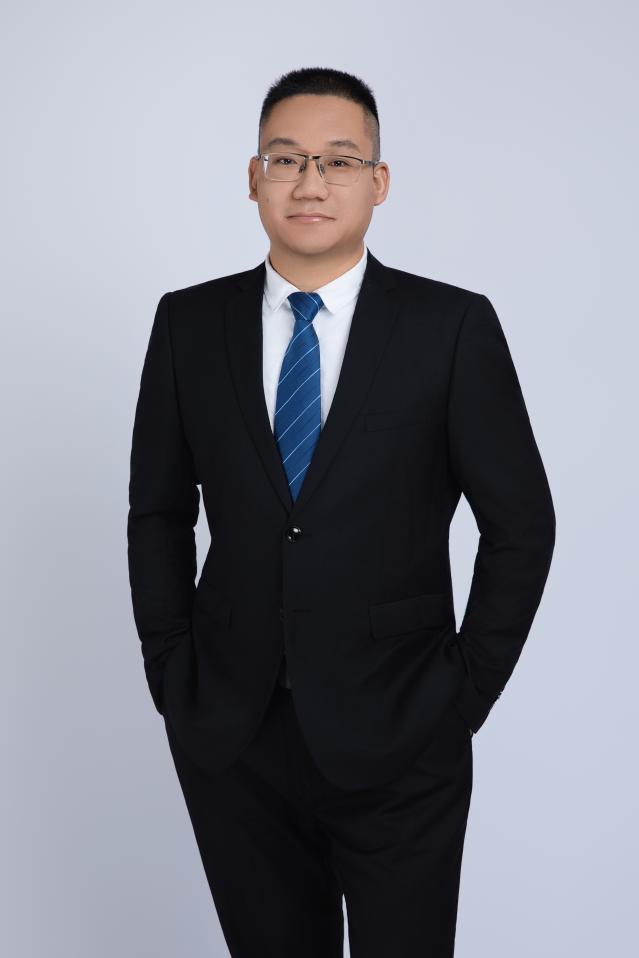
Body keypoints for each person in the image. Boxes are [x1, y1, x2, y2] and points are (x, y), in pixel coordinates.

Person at [127, 66, 556, 958]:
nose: (310, 182)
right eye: (286, 159)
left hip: (403, 725)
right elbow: (157, 511)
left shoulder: (449, 327)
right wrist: (171, 669)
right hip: (232, 731)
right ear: (253, 177)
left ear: (377, 181)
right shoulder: (187, 325)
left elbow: (521, 525)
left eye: (338, 160)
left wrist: (462, 692)